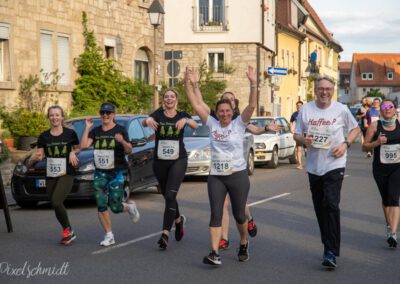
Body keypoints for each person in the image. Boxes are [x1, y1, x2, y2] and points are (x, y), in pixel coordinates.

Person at [184, 66, 280, 266]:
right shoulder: (212, 123)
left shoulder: (239, 123)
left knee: (238, 214)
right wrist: (190, 82)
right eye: (221, 111)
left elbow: (252, 104)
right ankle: (214, 253)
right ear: (217, 113)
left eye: (227, 111)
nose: (224, 114)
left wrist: (254, 82)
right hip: (216, 176)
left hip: (237, 176)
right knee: (216, 213)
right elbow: (196, 101)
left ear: (232, 111)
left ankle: (243, 242)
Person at [294, 77, 360, 269]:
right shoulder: (305, 109)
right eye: (321, 88)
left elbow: (355, 128)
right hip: (314, 166)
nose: (324, 92)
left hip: (335, 163)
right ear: (315, 90)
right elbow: (296, 134)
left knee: (331, 204)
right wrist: (303, 140)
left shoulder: (341, 109)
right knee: (320, 207)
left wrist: (345, 144)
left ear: (333, 90)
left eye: (328, 89)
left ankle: (330, 251)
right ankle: (327, 242)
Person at [142, 89, 198, 250]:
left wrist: (186, 121)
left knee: (171, 194)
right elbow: (145, 122)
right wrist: (147, 120)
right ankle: (178, 221)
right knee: (168, 196)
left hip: (178, 160)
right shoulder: (158, 114)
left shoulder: (182, 115)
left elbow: (195, 125)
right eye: (166, 97)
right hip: (160, 161)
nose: (169, 99)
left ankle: (165, 234)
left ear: (176, 100)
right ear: (163, 100)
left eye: (172, 96)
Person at [80, 102, 140, 246]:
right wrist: (87, 128)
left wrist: (123, 141)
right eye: (103, 113)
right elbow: (83, 146)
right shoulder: (96, 131)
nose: (105, 116)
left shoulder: (120, 130)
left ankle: (129, 207)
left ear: (113, 115)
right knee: (101, 204)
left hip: (117, 172)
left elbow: (129, 150)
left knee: (115, 207)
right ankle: (109, 235)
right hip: (100, 173)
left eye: (108, 113)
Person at [36, 105, 80, 245]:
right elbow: (40, 152)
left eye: (57, 115)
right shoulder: (44, 136)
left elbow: (78, 147)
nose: (54, 117)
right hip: (51, 172)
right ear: (49, 117)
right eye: (52, 115)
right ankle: (68, 230)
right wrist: (39, 155)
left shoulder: (70, 133)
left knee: (56, 200)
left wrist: (73, 152)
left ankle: (68, 230)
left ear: (62, 117)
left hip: (67, 171)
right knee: (56, 204)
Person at [362, 99, 400, 248]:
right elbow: (364, 147)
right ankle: (389, 226)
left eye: (390, 106)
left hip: (397, 167)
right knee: (386, 199)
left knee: (394, 198)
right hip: (380, 168)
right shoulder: (375, 125)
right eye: (384, 107)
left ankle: (394, 234)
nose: (387, 109)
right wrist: (376, 143)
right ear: (381, 110)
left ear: (395, 109)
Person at [290, 101, 305, 169]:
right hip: (298, 133)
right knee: (298, 149)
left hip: (306, 133)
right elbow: (291, 121)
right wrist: (291, 129)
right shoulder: (294, 114)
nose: (299, 107)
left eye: (300, 105)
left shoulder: (306, 113)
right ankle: (300, 164)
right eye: (297, 105)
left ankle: (310, 163)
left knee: (307, 150)